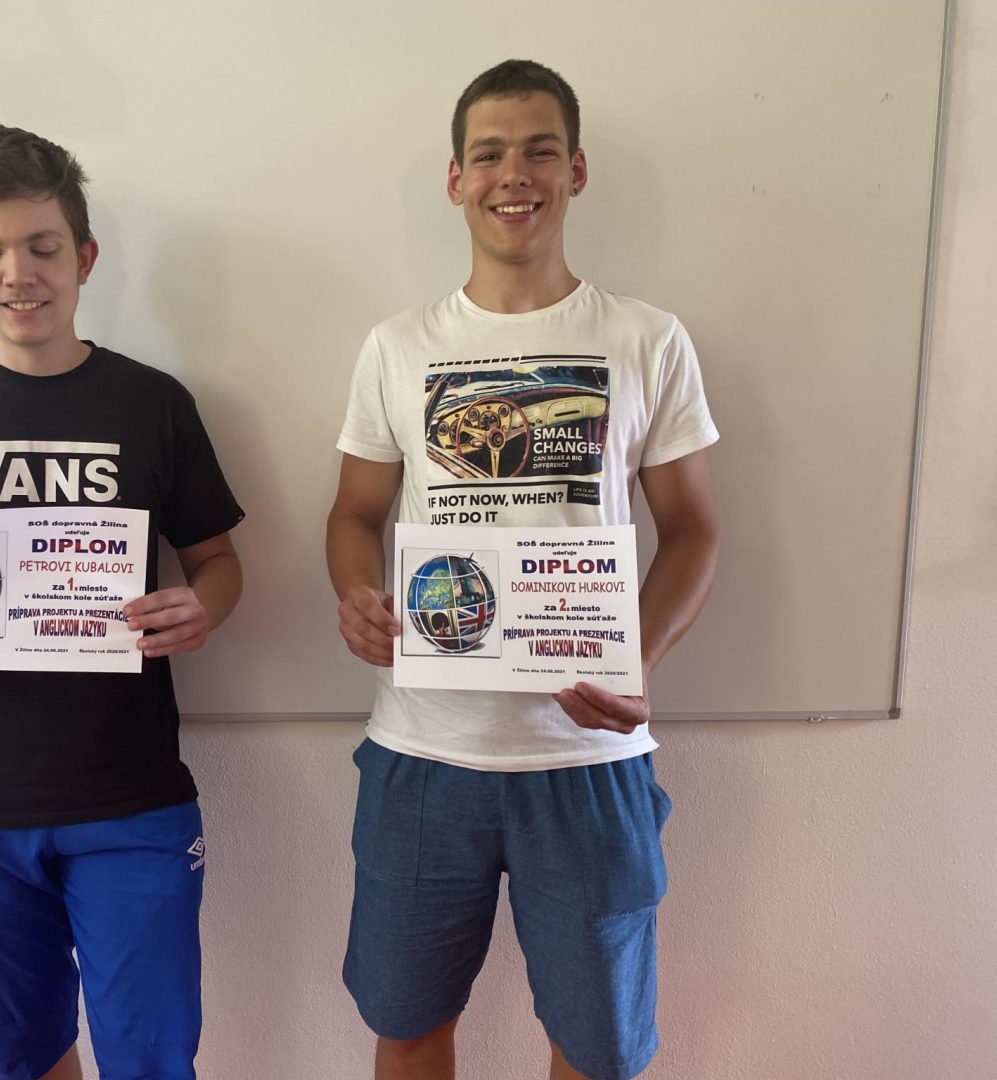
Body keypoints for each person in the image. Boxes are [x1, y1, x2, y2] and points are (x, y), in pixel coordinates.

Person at [326, 60, 720, 1080]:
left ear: (575, 171)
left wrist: (638, 659)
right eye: (491, 154)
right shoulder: (397, 346)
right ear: (456, 179)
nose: (516, 174)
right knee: (407, 1025)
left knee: (596, 1048)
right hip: (423, 751)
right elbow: (356, 513)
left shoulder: (646, 339)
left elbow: (693, 530)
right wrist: (357, 594)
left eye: (541, 151)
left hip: (586, 758)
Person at [0, 125, 244, 1080]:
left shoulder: (153, 403)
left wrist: (202, 608)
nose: (17, 273)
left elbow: (218, 560)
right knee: (26, 1058)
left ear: (84, 258)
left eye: (42, 246)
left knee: (152, 1058)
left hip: (131, 795)